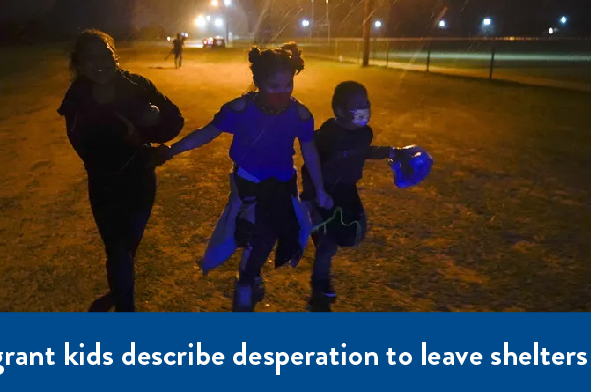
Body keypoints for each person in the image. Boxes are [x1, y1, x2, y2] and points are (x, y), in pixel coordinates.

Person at [153, 42, 333, 312]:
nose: (282, 93)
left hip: (283, 186)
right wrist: (173, 150)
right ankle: (245, 283)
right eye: (274, 86)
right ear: (258, 82)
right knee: (254, 234)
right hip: (249, 185)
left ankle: (252, 273)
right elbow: (208, 132)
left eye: (288, 85)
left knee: (274, 235)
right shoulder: (240, 109)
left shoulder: (300, 114)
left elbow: (310, 151)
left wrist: (320, 188)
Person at [57, 29, 184, 311]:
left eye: (106, 55)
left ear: (115, 57)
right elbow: (83, 146)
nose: (100, 63)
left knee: (129, 246)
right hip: (104, 185)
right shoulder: (77, 98)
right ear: (78, 63)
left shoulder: (137, 86)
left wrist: (152, 124)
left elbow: (175, 121)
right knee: (116, 248)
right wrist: (134, 141)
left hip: (140, 183)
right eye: (91, 58)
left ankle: (118, 290)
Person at [301, 81, 412, 312]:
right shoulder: (327, 136)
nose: (364, 108)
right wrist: (313, 196)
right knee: (327, 243)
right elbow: (310, 165)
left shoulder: (364, 133)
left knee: (352, 235)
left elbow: (364, 151)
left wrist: (392, 152)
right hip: (325, 193)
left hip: (347, 192)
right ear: (340, 110)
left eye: (366, 103)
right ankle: (319, 287)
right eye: (357, 105)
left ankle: (321, 282)